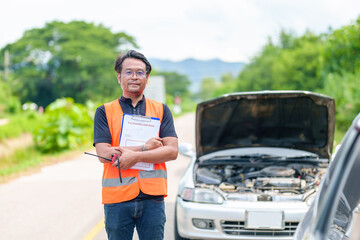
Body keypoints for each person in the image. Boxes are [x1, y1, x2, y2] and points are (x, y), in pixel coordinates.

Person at [93, 50, 179, 240]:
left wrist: (137, 156)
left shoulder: (161, 109)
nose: (134, 77)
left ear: (147, 78)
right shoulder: (104, 111)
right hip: (117, 198)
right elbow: (103, 154)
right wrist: (145, 148)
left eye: (140, 72)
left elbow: (172, 151)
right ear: (119, 77)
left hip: (152, 198)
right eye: (129, 72)